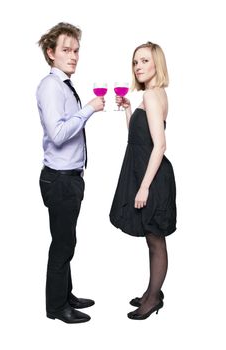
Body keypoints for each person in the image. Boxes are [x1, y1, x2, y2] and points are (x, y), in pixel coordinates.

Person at [36, 22, 105, 324]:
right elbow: (59, 133)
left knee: (67, 240)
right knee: (63, 244)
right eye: (66, 50)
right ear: (51, 53)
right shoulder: (51, 86)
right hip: (61, 180)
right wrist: (89, 108)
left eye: (76, 50)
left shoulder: (63, 84)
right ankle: (56, 308)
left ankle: (66, 295)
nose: (74, 56)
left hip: (69, 178)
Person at [109, 42, 177, 320]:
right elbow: (139, 139)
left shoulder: (151, 95)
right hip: (149, 170)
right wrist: (127, 110)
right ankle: (152, 292)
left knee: (156, 241)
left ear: (156, 64)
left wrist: (145, 186)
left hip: (153, 176)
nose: (138, 66)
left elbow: (159, 146)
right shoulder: (154, 94)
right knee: (153, 239)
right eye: (135, 61)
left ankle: (153, 299)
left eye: (144, 61)